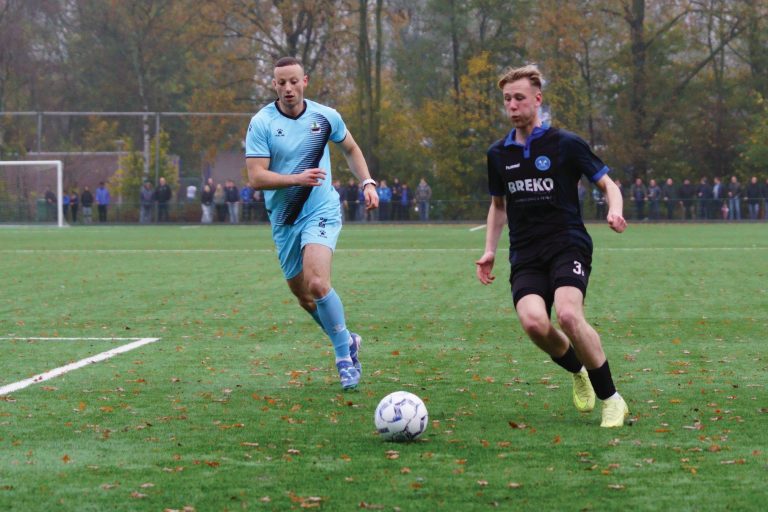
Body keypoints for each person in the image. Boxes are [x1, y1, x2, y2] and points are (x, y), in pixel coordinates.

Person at [475, 64, 629, 428]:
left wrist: (615, 210)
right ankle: (578, 370)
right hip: (526, 253)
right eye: (507, 99)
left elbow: (608, 184)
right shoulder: (498, 154)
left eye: (519, 98)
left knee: (569, 316)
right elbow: (499, 206)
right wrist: (490, 250)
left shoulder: (565, 144)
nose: (512, 105)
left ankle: (612, 399)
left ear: (537, 100)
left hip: (567, 244)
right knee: (533, 323)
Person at [245, 56, 379, 390]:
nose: (288, 88)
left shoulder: (326, 116)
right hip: (284, 219)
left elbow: (351, 148)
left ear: (305, 81)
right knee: (304, 296)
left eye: (294, 81)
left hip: (321, 210)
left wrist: (367, 182)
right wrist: (296, 178)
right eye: (281, 83)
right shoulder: (262, 123)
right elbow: (256, 177)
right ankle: (347, 340)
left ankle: (343, 359)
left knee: (318, 283)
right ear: (274, 85)